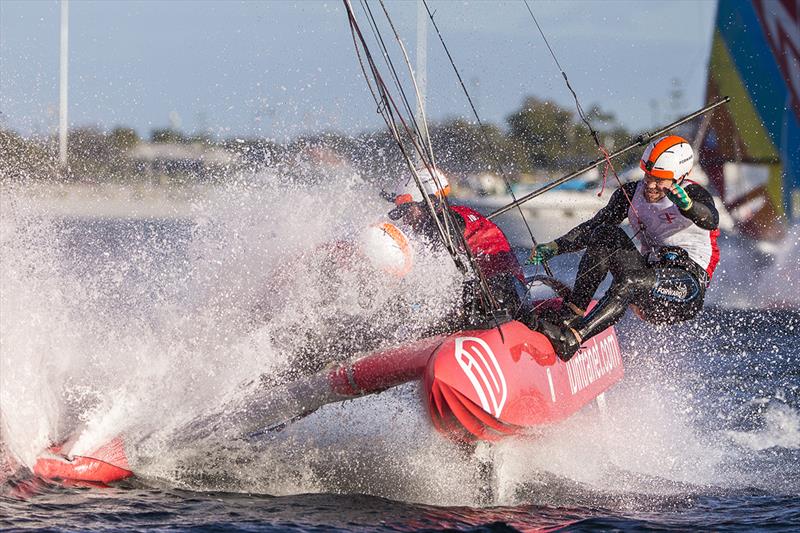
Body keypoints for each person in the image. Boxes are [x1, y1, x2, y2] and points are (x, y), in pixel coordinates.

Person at [527, 135, 720, 361]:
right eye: (648, 176)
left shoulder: (694, 194)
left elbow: (711, 219)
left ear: (680, 177)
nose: (650, 185)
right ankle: (571, 316)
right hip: (647, 278)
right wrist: (555, 246)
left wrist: (688, 206)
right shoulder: (631, 194)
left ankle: (573, 339)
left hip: (685, 289)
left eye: (659, 180)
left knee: (630, 282)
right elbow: (593, 227)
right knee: (605, 233)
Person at [387, 166, 525, 316]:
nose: (406, 220)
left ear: (429, 202)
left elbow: (436, 271)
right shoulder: (455, 214)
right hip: (500, 292)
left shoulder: (444, 222)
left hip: (502, 298)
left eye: (408, 210)